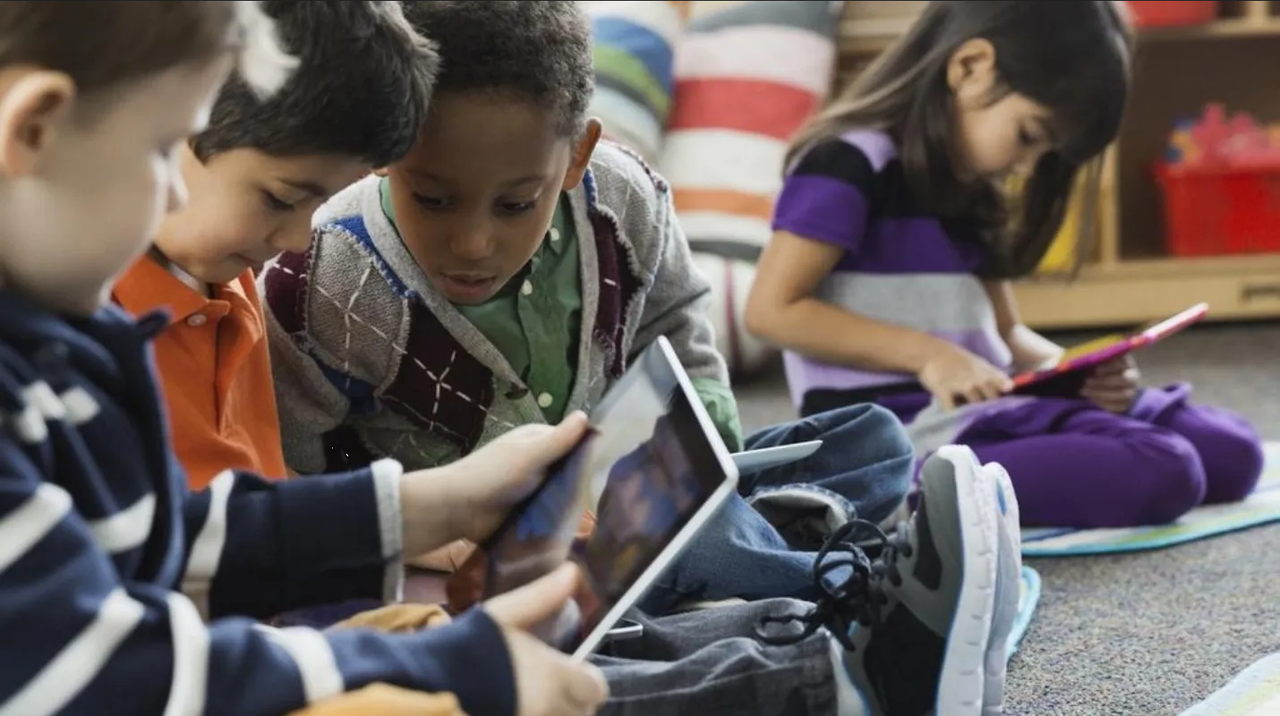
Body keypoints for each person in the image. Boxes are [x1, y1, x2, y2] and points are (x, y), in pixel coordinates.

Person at [0, 3, 611, 715]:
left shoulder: (42, 346)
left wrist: (444, 502)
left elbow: (166, 535)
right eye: (164, 149)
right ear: (35, 128)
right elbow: (104, 675)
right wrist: (442, 666)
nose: (171, 190)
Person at [261, 0, 913, 612]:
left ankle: (752, 540)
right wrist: (439, 538)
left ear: (576, 155)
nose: (474, 242)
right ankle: (858, 596)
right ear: (387, 149)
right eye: (433, 198)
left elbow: (676, 317)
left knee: (873, 435)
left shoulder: (623, 196)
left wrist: (708, 446)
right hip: (489, 553)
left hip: (620, 484)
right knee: (704, 540)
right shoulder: (322, 273)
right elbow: (292, 479)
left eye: (516, 203)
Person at [744, 0, 1264, 530]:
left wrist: (1080, 373)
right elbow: (771, 311)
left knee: (1235, 452)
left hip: (987, 407)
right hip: (905, 436)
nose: (1027, 166)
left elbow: (1009, 335)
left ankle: (1023, 448)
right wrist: (930, 357)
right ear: (969, 68)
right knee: (1166, 468)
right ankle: (905, 495)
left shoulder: (968, 186)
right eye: (1029, 137)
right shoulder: (846, 163)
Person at [110, 1, 436, 491]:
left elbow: (257, 488)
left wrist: (430, 525)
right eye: (281, 199)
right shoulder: (77, 326)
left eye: (322, 201)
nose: (298, 239)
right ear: (171, 123)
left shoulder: (229, 280)